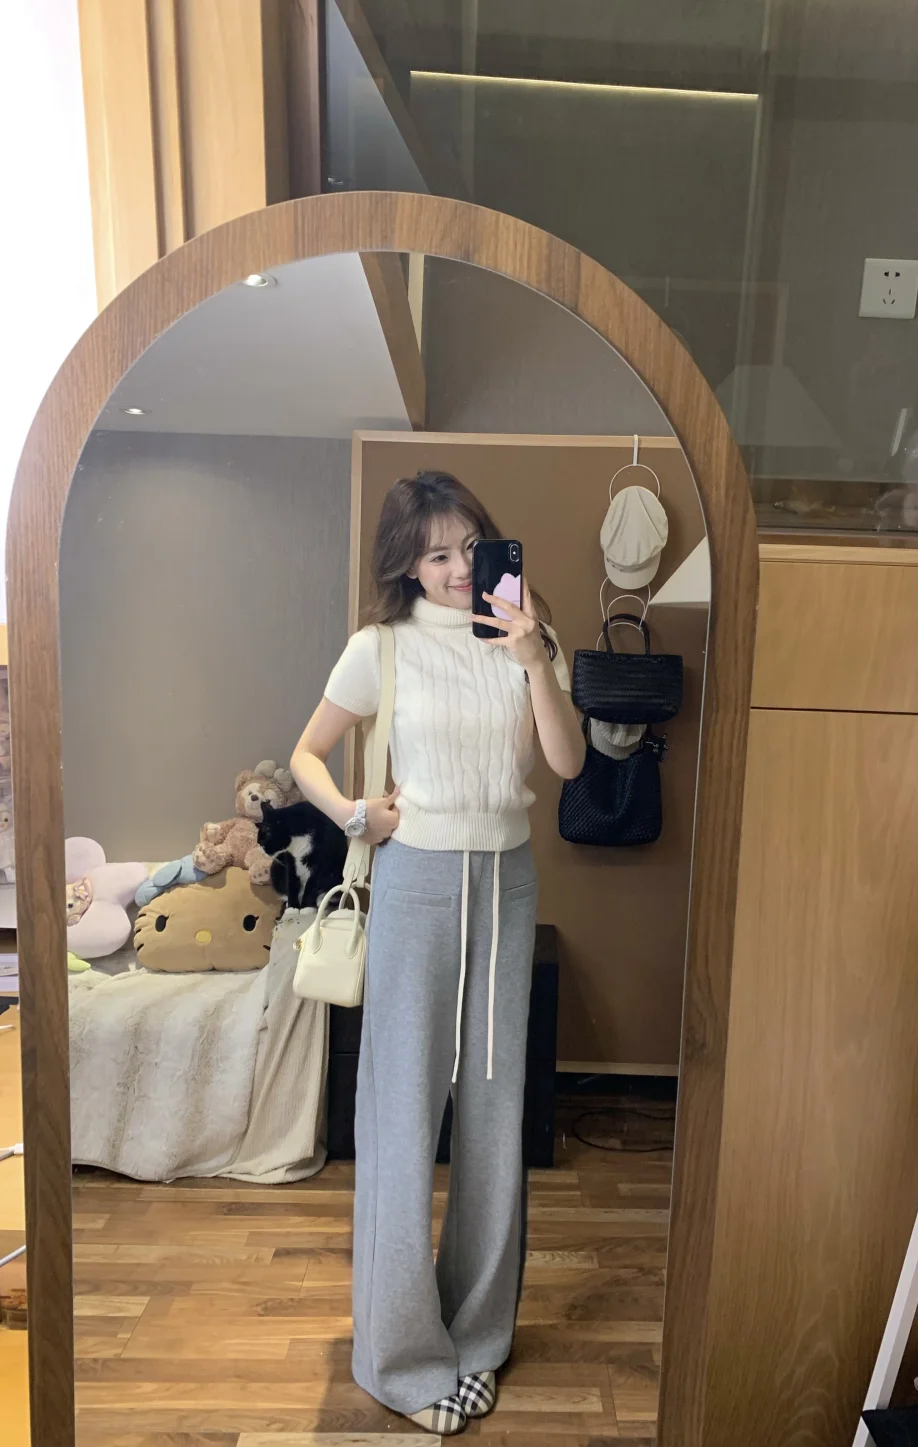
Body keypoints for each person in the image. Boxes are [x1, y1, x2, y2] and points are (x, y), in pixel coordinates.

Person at [290, 470, 584, 1435]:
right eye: (437, 554)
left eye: (469, 546)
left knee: (496, 1114)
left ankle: (479, 1339)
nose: (459, 569)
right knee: (401, 1116)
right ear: (408, 565)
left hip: (506, 880)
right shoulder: (380, 646)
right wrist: (352, 813)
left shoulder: (525, 636)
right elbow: (305, 753)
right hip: (416, 883)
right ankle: (402, 1359)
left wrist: (535, 656)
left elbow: (568, 761)